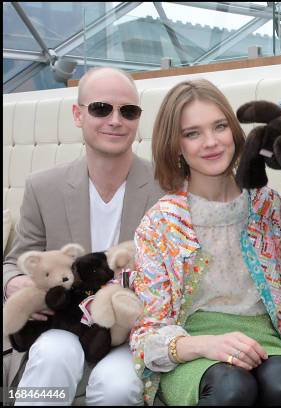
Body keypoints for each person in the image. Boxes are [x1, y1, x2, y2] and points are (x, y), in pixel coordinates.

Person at [129, 78, 281, 406]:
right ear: (175, 145)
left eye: (219, 126)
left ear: (235, 132)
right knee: (231, 390)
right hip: (193, 341)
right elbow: (146, 334)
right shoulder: (159, 223)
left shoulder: (267, 204)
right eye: (192, 133)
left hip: (261, 334)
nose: (210, 142)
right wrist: (204, 345)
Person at [3, 67, 164, 405]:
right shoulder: (43, 187)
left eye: (128, 111)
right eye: (101, 108)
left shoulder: (165, 188)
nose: (115, 120)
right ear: (78, 114)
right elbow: (13, 263)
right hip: (61, 325)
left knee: (118, 386)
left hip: (129, 331)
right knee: (52, 355)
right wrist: (14, 284)